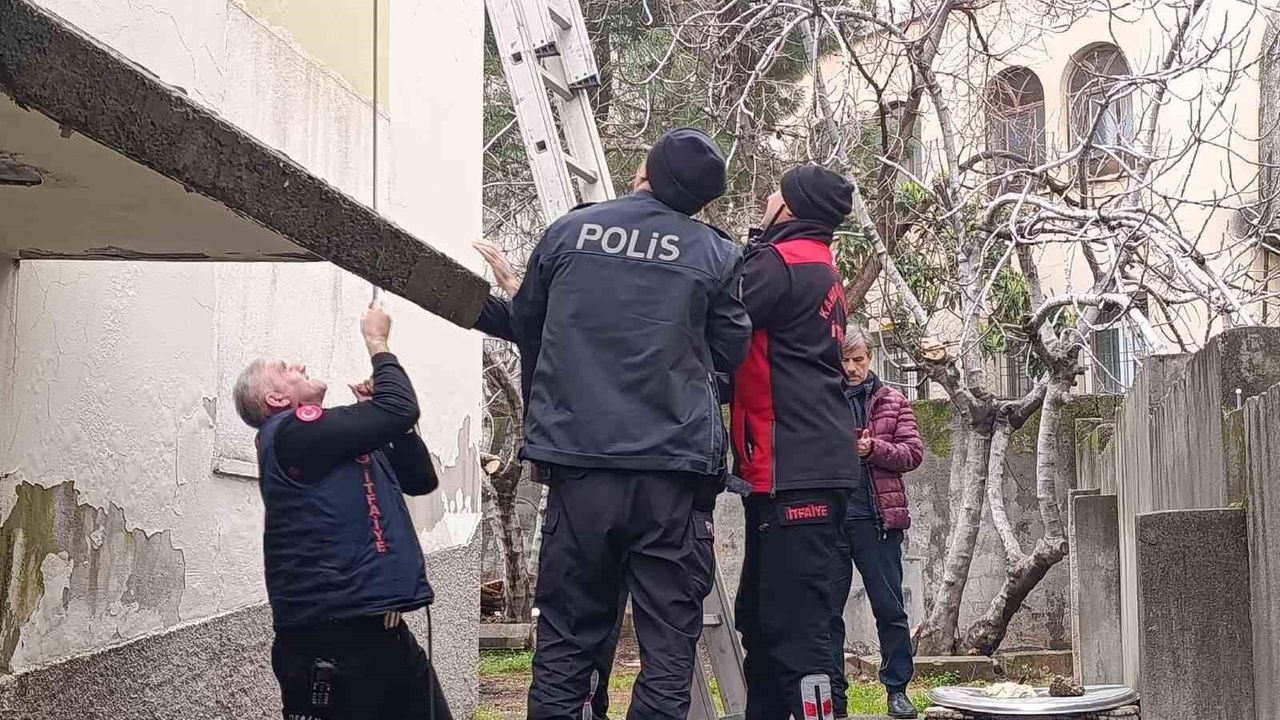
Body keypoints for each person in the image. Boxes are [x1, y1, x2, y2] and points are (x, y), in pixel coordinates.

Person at [509, 127, 752, 720]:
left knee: (566, 641)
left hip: (580, 465)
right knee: (668, 646)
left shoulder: (570, 231)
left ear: (646, 172)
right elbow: (731, 349)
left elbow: (527, 322)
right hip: (671, 473)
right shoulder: (715, 253)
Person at [233, 301, 452, 720]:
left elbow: (420, 479)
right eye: (285, 369)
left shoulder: (330, 439)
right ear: (277, 398)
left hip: (386, 635)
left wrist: (396, 427)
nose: (298, 365)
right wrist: (377, 341)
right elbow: (399, 406)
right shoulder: (290, 434)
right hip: (331, 643)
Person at [731, 164, 860, 720]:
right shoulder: (818, 265)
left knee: (799, 634)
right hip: (798, 468)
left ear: (790, 208)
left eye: (775, 192)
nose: (765, 197)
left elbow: (715, 312)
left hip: (794, 468)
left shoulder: (781, 264)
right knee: (765, 625)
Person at [831, 324, 924, 719]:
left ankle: (897, 691)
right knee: (826, 613)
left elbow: (913, 453)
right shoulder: (821, 400)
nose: (852, 367)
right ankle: (834, 698)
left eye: (859, 359)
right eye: (845, 360)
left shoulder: (892, 400)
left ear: (871, 358)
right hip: (830, 522)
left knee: (889, 609)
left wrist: (873, 449)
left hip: (878, 521)